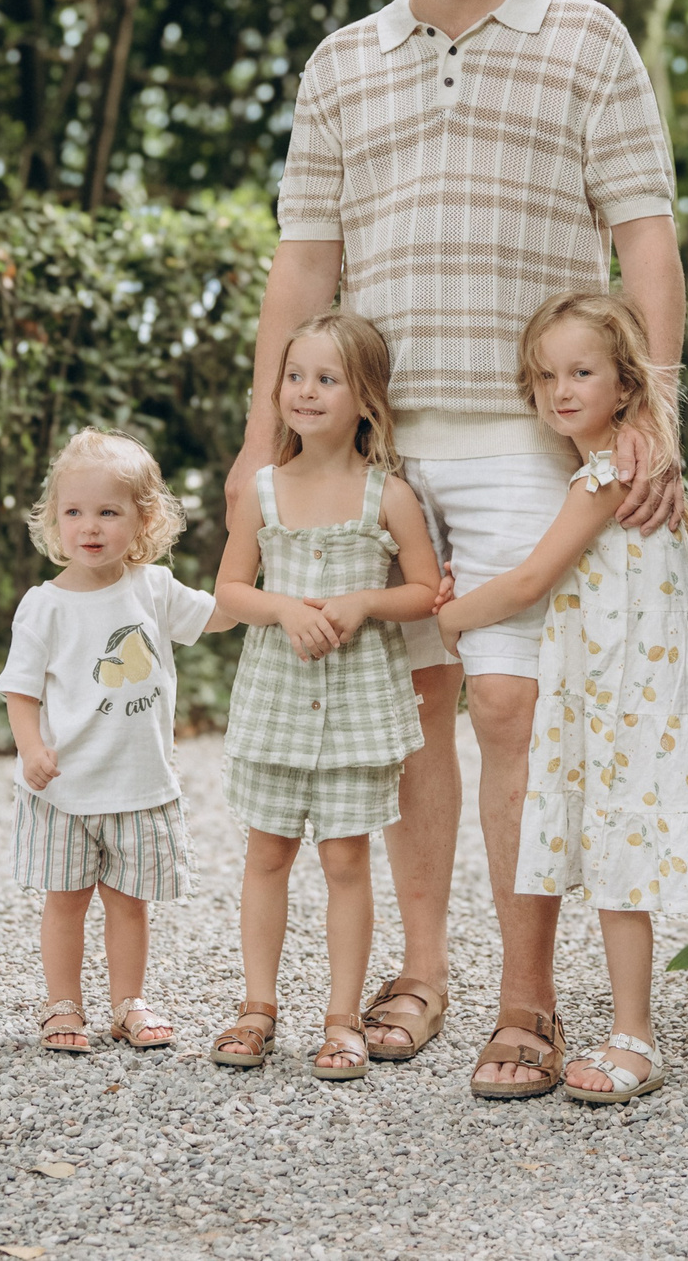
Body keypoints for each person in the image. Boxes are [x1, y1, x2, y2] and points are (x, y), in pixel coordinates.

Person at [229, 0, 688, 1096]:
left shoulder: (589, 41)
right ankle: (420, 974)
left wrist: (651, 410)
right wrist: (260, 438)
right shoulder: (339, 64)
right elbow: (302, 264)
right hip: (372, 449)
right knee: (407, 719)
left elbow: (646, 239)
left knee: (511, 706)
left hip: (526, 444)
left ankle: (530, 1004)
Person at [435, 291, 688, 1103]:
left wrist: (455, 614)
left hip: (627, 698)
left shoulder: (611, 472)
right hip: (618, 690)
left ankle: (636, 1036)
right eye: (545, 376)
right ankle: (629, 1028)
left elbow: (534, 579)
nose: (561, 390)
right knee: (619, 861)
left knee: (621, 864)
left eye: (582, 371)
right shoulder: (625, 463)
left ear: (626, 382)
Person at [206, 312, 442, 1080]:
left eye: (326, 378)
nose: (305, 391)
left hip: (355, 708)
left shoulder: (387, 495)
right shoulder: (265, 490)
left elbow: (425, 590)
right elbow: (231, 588)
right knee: (266, 853)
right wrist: (280, 607)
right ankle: (256, 1005)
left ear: (364, 397)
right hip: (277, 698)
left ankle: (342, 1018)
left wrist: (364, 603)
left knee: (346, 860)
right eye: (294, 375)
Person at [4, 428, 236, 1054]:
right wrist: (31, 749)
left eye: (109, 511)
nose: (90, 526)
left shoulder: (153, 588)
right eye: (74, 511)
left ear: (143, 518)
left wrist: (256, 563)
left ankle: (127, 1002)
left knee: (129, 904)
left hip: (138, 783)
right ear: (55, 519)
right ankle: (62, 1006)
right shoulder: (44, 605)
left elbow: (219, 615)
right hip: (66, 788)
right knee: (67, 901)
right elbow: (20, 690)